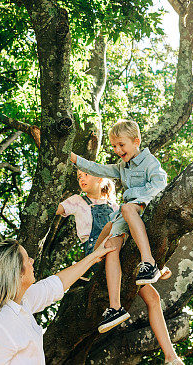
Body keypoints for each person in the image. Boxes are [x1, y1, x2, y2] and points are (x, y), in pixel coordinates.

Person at [58, 170, 184, 365]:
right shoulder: (78, 201)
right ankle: (115, 306)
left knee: (153, 297)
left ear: (100, 177)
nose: (81, 178)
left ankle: (171, 357)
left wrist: (160, 265)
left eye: (86, 174)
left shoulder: (117, 207)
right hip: (97, 255)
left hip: (119, 256)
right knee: (111, 228)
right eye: (78, 176)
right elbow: (54, 211)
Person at [69, 119, 168, 333]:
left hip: (144, 206)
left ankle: (149, 263)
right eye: (114, 146)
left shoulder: (149, 161)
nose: (117, 150)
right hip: (127, 212)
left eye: (121, 145)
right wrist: (74, 158)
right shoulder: (122, 167)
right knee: (110, 245)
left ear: (136, 141)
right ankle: (115, 307)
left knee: (127, 208)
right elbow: (97, 168)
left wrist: (137, 199)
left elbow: (160, 184)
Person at [0, 238, 115, 364]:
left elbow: (56, 284)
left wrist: (95, 256)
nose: (32, 260)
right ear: (18, 274)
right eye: (27, 259)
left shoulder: (22, 303)